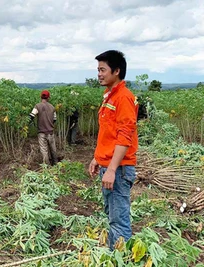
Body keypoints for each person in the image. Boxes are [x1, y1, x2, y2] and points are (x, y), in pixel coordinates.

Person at [88, 50, 138, 250]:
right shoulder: (110, 97)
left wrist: (110, 169)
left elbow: (124, 137)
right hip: (109, 165)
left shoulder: (123, 98)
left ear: (116, 71)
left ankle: (120, 259)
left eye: (102, 69)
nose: (99, 74)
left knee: (119, 221)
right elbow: (108, 134)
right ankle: (115, 254)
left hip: (118, 169)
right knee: (112, 214)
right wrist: (97, 158)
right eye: (98, 70)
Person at [29, 90, 58, 165]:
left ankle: (47, 167)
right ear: (48, 97)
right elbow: (55, 119)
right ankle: (56, 163)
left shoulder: (37, 106)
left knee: (44, 150)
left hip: (41, 132)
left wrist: (28, 123)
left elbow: (31, 116)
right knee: (53, 149)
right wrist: (49, 124)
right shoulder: (52, 107)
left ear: (41, 97)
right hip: (50, 132)